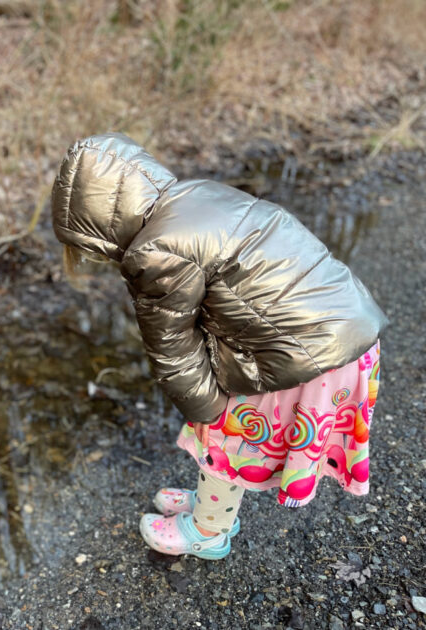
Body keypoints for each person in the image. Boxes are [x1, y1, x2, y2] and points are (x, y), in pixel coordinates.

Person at [51, 133, 387, 560]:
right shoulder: (199, 195)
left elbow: (174, 351)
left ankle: (208, 531)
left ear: (99, 225)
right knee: (223, 431)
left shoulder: (155, 251)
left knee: (225, 441)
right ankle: (212, 504)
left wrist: (207, 414)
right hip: (345, 332)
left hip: (305, 358)